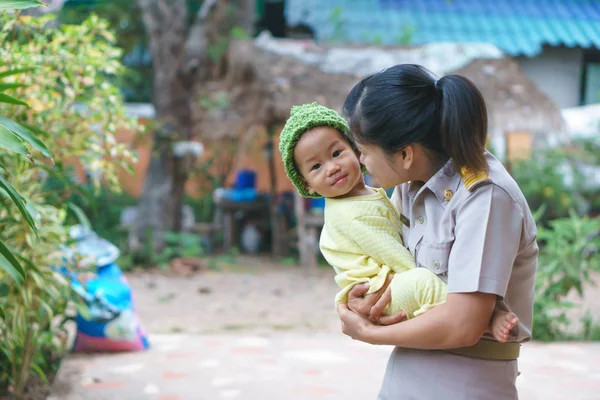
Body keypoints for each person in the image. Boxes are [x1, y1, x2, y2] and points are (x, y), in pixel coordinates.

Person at [336, 64, 538, 399]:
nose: (360, 161)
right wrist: (363, 301)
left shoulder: (484, 196)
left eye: (365, 151)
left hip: (465, 381)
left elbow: (464, 324)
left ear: (404, 153)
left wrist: (368, 333)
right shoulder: (408, 189)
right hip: (406, 372)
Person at [278, 102, 519, 342]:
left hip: (390, 287)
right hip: (380, 293)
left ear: (355, 150)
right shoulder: (350, 215)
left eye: (336, 153)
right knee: (422, 282)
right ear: (307, 184)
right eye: (316, 166)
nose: (332, 168)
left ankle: (460, 313)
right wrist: (414, 279)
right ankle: (486, 319)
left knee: (421, 284)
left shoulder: (371, 194)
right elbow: (393, 253)